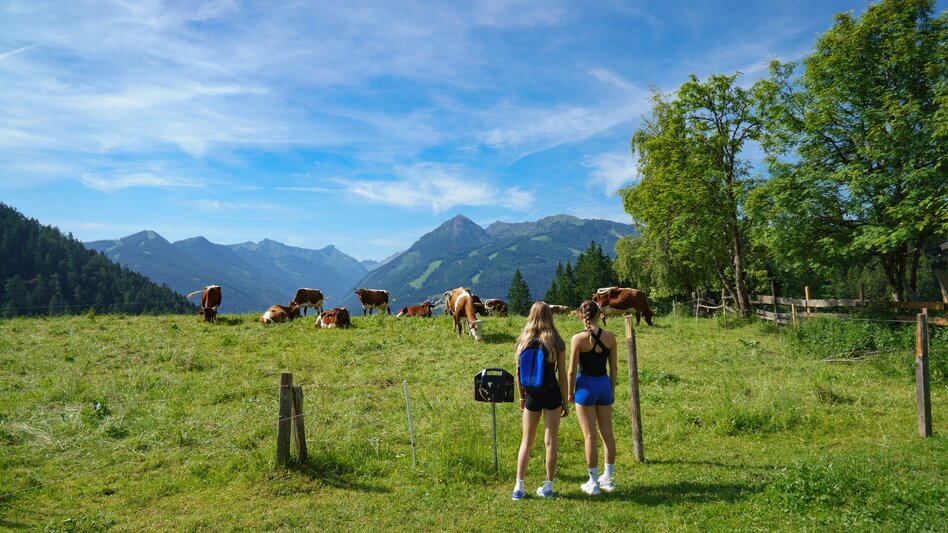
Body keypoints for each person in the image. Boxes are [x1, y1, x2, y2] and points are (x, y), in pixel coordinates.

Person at [512, 301, 569, 500]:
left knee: (526, 441)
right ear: (549, 316)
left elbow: (518, 373)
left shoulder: (522, 340)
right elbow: (562, 375)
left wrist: (522, 396)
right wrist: (565, 401)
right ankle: (548, 487)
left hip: (532, 396)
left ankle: (519, 487)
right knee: (550, 441)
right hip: (552, 393)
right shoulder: (556, 340)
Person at [567, 300, 618, 495]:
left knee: (590, 435)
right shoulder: (611, 337)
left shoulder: (577, 339)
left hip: (586, 387)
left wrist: (570, 392)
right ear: (599, 315)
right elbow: (614, 368)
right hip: (604, 385)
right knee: (607, 434)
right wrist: (611, 391)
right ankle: (609, 478)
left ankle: (593, 482)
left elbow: (571, 371)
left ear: (581, 316)